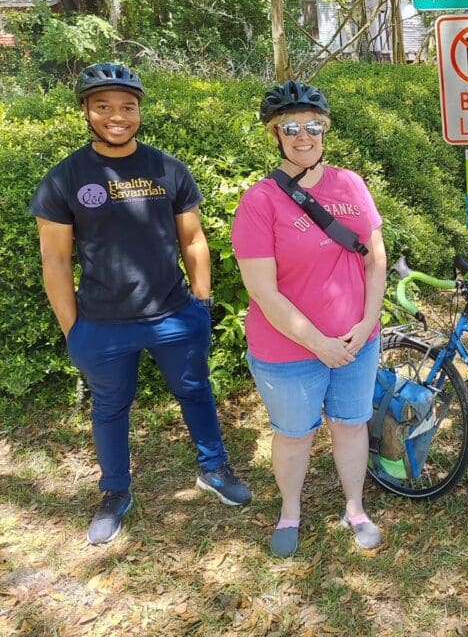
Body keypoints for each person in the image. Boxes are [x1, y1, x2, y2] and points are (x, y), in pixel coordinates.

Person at [30, 62, 252, 546]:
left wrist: (201, 301)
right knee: (110, 408)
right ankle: (114, 491)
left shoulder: (167, 169)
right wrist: (75, 329)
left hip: (174, 315)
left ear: (139, 111)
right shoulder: (64, 178)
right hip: (102, 324)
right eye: (103, 106)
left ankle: (213, 468)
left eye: (127, 107)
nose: (117, 116)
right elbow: (56, 261)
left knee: (195, 391)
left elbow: (193, 240)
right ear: (86, 111)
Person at [231, 81, 387, 557]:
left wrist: (366, 323)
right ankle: (290, 511)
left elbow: (374, 258)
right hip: (288, 350)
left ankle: (355, 507)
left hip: (357, 341)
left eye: (314, 125)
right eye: (291, 127)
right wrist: (319, 343)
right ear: (275, 134)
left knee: (350, 424)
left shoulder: (351, 183)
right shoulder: (260, 201)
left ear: (325, 130)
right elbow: (262, 289)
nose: (305, 136)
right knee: (294, 435)